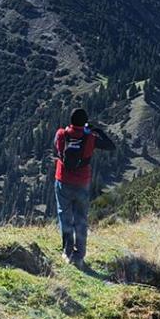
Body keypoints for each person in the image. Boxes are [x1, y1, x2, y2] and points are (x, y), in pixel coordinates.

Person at [54, 108, 112, 267]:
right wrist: (96, 130)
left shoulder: (61, 134)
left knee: (64, 215)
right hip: (82, 183)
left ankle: (67, 252)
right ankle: (79, 255)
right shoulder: (90, 138)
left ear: (71, 120)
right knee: (81, 218)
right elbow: (110, 146)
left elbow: (57, 147)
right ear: (85, 122)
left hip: (63, 180)